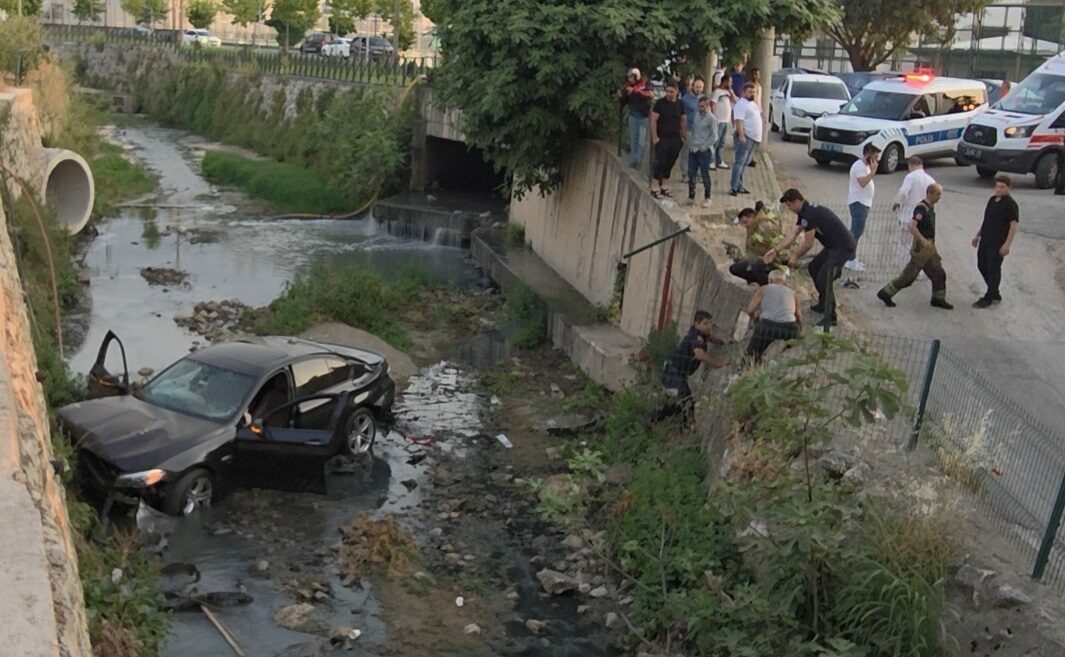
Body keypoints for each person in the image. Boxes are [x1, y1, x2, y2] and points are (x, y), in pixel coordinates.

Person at [764, 188, 857, 324]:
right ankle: (823, 303)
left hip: (842, 247)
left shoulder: (809, 214)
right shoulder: (804, 213)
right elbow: (793, 234)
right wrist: (775, 250)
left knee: (824, 278)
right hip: (832, 247)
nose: (789, 209)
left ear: (796, 201)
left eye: (789, 205)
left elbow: (808, 244)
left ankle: (830, 316)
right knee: (814, 268)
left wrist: (795, 256)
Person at [876, 183, 953, 310]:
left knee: (938, 273)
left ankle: (938, 298)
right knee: (909, 276)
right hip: (922, 249)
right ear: (930, 194)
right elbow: (911, 226)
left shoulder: (930, 207)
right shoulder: (921, 209)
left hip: (929, 248)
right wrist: (922, 240)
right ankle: (886, 293)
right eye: (938, 194)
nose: (940, 197)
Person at [659, 310, 728, 427]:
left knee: (682, 401)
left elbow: (711, 338)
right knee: (686, 401)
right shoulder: (696, 336)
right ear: (696, 324)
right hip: (673, 373)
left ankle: (658, 418)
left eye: (710, 323)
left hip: (676, 373)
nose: (709, 326)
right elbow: (700, 354)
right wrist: (719, 363)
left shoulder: (700, 334)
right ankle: (686, 426)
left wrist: (724, 342)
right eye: (705, 323)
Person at [972, 175, 1020, 308]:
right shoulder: (992, 200)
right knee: (982, 265)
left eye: (1002, 187)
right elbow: (987, 220)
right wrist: (978, 235)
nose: (999, 189)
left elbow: (1013, 225)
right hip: (986, 239)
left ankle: (989, 297)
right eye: (997, 186)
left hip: (998, 242)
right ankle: (995, 292)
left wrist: (1007, 245)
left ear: (1009, 188)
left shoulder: (1010, 204)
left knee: (993, 268)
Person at [744, 269, 802, 363]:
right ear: (784, 281)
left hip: (767, 325)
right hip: (788, 327)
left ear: (770, 280)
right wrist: (800, 328)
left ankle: (747, 366)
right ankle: (778, 360)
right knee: (794, 344)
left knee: (752, 353)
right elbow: (798, 315)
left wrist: (755, 319)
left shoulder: (764, 289)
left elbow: (750, 310)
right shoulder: (793, 293)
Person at [843, 143, 880, 284]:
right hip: (858, 202)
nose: (876, 161)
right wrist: (872, 172)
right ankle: (849, 258)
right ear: (868, 154)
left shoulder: (865, 166)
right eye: (875, 157)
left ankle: (852, 257)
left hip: (864, 203)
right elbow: (862, 182)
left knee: (858, 231)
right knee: (856, 231)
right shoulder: (859, 166)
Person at [891, 157, 937, 265]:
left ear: (910, 165)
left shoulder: (911, 177)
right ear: (922, 165)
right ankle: (919, 265)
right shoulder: (931, 180)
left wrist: (897, 202)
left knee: (904, 242)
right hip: (924, 217)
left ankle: (903, 263)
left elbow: (903, 192)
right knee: (919, 243)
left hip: (908, 214)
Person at [728, 203, 787, 285]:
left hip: (774, 261)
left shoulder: (766, 227)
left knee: (756, 266)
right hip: (760, 259)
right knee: (735, 268)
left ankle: (768, 286)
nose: (745, 226)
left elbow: (780, 245)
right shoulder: (753, 229)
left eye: (745, 222)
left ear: (752, 217)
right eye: (743, 224)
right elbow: (754, 252)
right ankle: (757, 280)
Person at [650, 81, 686, 199]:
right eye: (667, 91)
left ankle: (665, 185)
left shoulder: (680, 104)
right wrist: (655, 137)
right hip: (662, 138)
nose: (669, 94)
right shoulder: (660, 103)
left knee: (670, 162)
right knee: (660, 162)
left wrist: (683, 136)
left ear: (677, 91)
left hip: (675, 139)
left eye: (671, 91)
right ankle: (655, 185)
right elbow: (653, 120)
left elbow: (683, 120)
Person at [730, 83, 762, 196]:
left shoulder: (752, 103)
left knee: (745, 163)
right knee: (739, 162)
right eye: (750, 92)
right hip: (746, 137)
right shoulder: (741, 104)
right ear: (743, 92)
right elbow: (738, 120)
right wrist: (741, 135)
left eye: (754, 92)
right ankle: (734, 187)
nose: (752, 94)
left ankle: (739, 185)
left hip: (753, 138)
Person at [685, 96, 718, 207]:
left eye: (703, 106)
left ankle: (707, 197)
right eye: (699, 106)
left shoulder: (711, 119)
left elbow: (714, 136)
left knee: (704, 174)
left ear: (707, 106)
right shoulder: (697, 115)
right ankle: (691, 196)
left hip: (704, 151)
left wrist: (704, 147)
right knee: (691, 173)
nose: (700, 108)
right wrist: (691, 144)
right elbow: (694, 130)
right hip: (693, 148)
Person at [618, 68, 653, 169]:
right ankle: (633, 160)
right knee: (633, 139)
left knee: (642, 140)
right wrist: (620, 96)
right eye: (629, 78)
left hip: (644, 117)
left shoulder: (645, 84)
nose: (630, 80)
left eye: (632, 77)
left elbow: (650, 94)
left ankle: (638, 160)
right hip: (633, 116)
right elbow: (624, 101)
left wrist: (636, 91)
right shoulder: (627, 87)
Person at [679, 77, 706, 183]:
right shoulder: (685, 99)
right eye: (697, 87)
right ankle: (685, 174)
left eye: (701, 87)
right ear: (693, 86)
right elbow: (681, 116)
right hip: (689, 129)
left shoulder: (703, 98)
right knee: (687, 153)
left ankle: (698, 174)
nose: (699, 89)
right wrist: (682, 131)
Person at [710, 75, 735, 169]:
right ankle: (711, 161)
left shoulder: (727, 92)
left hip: (726, 120)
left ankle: (719, 160)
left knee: (722, 142)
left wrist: (731, 92)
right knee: (715, 141)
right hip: (719, 120)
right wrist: (714, 117)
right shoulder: (717, 92)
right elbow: (712, 104)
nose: (731, 83)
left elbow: (734, 100)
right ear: (724, 81)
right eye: (730, 81)